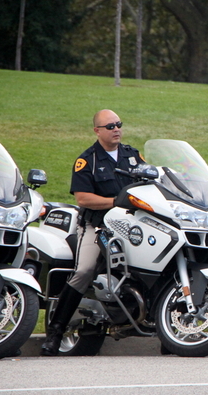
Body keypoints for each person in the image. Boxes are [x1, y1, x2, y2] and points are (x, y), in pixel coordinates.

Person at [41, 109, 144, 356]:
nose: (116, 129)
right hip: (97, 226)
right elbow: (83, 198)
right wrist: (117, 202)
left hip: (132, 227)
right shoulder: (87, 160)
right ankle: (56, 332)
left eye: (119, 124)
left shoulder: (133, 156)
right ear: (97, 131)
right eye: (110, 126)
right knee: (85, 270)